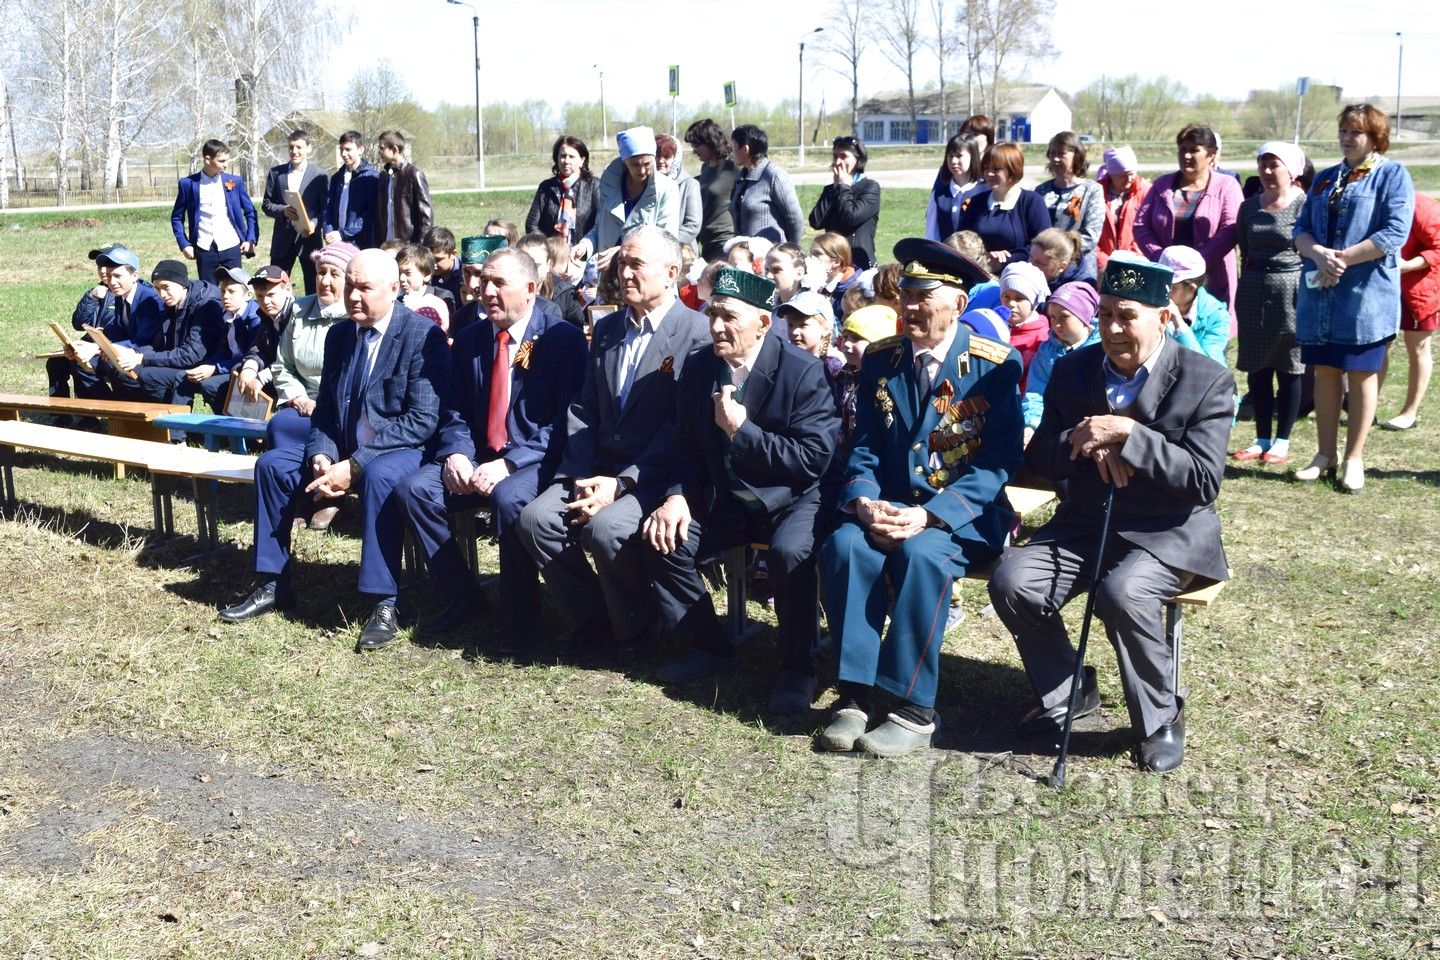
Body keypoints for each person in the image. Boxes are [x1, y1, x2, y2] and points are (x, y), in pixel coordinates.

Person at [988, 258, 1235, 774]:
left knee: (1123, 593)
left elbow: (1203, 479)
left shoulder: (1205, 380)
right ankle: (1069, 689)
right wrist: (1083, 442)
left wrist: (1129, 436)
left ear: (1163, 317)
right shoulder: (1074, 368)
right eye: (1104, 316)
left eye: (1128, 316)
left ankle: (1160, 718)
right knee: (1012, 579)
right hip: (1085, 523)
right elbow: (1039, 457)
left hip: (1167, 532)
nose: (1114, 330)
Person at [818, 239, 1023, 758]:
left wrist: (930, 515)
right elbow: (863, 445)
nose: (909, 307)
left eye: (923, 296)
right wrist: (864, 501)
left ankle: (913, 708)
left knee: (921, 555)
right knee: (846, 546)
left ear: (957, 302)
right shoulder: (882, 360)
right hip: (887, 505)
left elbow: (998, 463)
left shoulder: (993, 365)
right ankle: (856, 694)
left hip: (962, 515)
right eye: (905, 295)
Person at [218, 249, 451, 650]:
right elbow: (326, 408)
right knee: (273, 465)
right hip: (344, 443)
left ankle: (384, 602)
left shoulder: (420, 335)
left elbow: (422, 420)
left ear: (394, 289)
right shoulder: (341, 334)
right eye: (351, 287)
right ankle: (274, 582)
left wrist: (356, 465)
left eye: (365, 288)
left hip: (402, 448)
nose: (354, 297)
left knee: (378, 476)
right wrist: (321, 454)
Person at [644, 269, 838, 710]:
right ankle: (708, 643)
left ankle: (797, 666)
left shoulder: (803, 371)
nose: (715, 326)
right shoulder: (699, 365)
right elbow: (687, 447)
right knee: (663, 538)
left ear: (763, 324)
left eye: (728, 316)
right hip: (725, 499)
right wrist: (677, 496)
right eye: (712, 313)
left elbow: (812, 460)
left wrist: (741, 432)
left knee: (790, 554)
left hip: (793, 500)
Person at [516, 226, 710, 658]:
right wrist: (581, 475)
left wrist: (622, 484)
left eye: (636, 264)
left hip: (655, 476)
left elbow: (681, 429)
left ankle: (640, 628)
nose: (625, 273)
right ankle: (594, 618)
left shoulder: (696, 333)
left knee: (607, 529)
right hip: (599, 467)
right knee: (537, 519)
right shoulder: (606, 329)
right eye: (622, 262)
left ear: (672, 272)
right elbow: (585, 408)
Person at [397, 249, 587, 650]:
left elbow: (565, 422)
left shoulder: (561, 339)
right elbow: (456, 408)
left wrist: (510, 463)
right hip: (480, 457)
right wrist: (457, 453)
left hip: (537, 460)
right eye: (483, 281)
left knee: (508, 497)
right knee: (416, 489)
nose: (487, 291)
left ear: (531, 289)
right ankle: (462, 595)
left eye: (499, 283)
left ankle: (520, 616)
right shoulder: (470, 340)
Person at [1293, 104, 1415, 493]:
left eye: (1356, 132)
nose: (1347, 138)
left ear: (1375, 136)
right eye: (1344, 130)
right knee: (1326, 372)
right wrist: (1318, 254)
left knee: (1361, 375)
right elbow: (1302, 228)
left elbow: (1394, 232)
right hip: (1320, 290)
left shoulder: (1392, 175)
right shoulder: (1326, 178)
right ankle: (1323, 454)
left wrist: (1341, 259)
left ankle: (1354, 458)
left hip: (1365, 295)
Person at [1233, 141, 1308, 465]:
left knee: (1289, 366)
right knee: (1257, 367)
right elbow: (1243, 245)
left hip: (1290, 291)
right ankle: (1261, 437)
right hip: (1252, 289)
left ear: (1291, 170)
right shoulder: (1249, 206)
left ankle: (1282, 440)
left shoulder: (1305, 204)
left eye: (1273, 164)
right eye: (1262, 164)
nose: (1265, 171)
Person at [1133, 125, 1243, 320]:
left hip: (1211, 280)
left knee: (1206, 340)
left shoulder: (1227, 186)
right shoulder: (1162, 185)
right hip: (1167, 279)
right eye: (1183, 149)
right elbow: (1141, 226)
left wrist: (1195, 266)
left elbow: (1231, 228)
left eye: (1194, 150)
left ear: (1211, 155)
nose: (1186, 155)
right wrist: (1163, 259)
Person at [58, 245, 167, 402]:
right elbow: (119, 329)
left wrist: (99, 348)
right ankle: (112, 411)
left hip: (146, 354)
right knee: (79, 362)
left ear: (135, 275)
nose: (112, 282)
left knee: (114, 365)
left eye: (117, 276)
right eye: (108, 276)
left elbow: (142, 340)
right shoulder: (120, 294)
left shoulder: (150, 300)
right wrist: (88, 345)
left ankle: (127, 414)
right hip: (124, 350)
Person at [108, 260, 217, 405]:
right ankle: (136, 421)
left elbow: (191, 355)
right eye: (157, 289)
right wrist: (132, 353)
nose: (162, 294)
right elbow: (159, 344)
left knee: (147, 375)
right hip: (184, 360)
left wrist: (142, 358)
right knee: (121, 369)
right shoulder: (172, 303)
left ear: (182, 283)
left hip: (206, 366)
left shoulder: (204, 306)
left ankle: (163, 420)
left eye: (166, 287)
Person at [572, 126, 679, 266]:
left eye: (647, 164)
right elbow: (601, 228)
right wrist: (585, 245)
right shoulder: (610, 184)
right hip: (609, 275)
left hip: (645, 275)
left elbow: (666, 241)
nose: (641, 171)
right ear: (624, 161)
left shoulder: (667, 189)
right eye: (634, 165)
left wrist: (621, 252)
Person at [1382, 191, 1440, 431]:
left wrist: (1406, 266)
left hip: (1419, 288)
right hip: (1383, 286)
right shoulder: (1375, 204)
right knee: (1377, 347)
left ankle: (1409, 413)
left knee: (1417, 347)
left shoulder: (1423, 206)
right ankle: (1363, 405)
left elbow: (1437, 248)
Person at [1022, 280, 1100, 445]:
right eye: (1052, 317)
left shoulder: (1103, 348)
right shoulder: (1047, 352)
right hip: (1054, 427)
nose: (1056, 324)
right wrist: (1031, 425)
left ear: (1084, 316)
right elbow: (1036, 392)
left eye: (1064, 317)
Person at [170, 139, 258, 284]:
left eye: (227, 160)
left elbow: (250, 212)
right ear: (207, 159)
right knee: (209, 293)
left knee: (235, 289)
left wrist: (250, 239)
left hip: (231, 246)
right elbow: (177, 218)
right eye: (222, 161)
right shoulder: (188, 184)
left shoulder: (234, 181)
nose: (226, 164)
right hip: (204, 248)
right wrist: (184, 244)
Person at [955, 142, 1050, 274]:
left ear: (1013, 169)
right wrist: (985, 261)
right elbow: (960, 241)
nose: (989, 174)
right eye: (986, 168)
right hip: (978, 276)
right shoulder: (976, 202)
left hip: (1019, 279)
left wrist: (1006, 259)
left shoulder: (1032, 202)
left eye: (996, 169)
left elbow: (1044, 245)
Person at [183, 266, 262, 413]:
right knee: (188, 378)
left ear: (248, 295)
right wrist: (208, 365)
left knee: (211, 385)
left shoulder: (254, 319)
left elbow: (250, 356)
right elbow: (224, 350)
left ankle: (232, 428)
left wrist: (215, 368)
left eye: (232, 291)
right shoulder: (227, 315)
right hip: (231, 366)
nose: (225, 296)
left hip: (249, 369)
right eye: (223, 291)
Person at [261, 129, 328, 295]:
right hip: (282, 240)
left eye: (299, 147)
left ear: (308, 149)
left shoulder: (320, 176)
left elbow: (325, 208)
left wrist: (314, 223)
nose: (294, 151)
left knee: (314, 286)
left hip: (309, 239)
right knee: (276, 284)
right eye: (291, 147)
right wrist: (283, 211)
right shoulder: (276, 173)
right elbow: (266, 204)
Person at [1034, 131, 1104, 283]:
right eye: (1052, 154)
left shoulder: (1092, 190)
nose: (1056, 159)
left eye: (1061, 154)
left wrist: (1060, 255)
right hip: (1043, 269)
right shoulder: (1041, 190)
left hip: (1078, 270)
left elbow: (1091, 236)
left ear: (1076, 156)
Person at [808, 135, 881, 270]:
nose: (838, 162)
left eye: (844, 156)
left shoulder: (870, 187)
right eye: (835, 156)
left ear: (858, 159)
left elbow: (850, 218)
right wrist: (834, 190)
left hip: (859, 265)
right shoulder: (832, 189)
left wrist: (844, 188)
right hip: (833, 263)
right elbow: (816, 221)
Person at [232, 265, 299, 409]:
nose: (265, 302)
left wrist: (260, 377)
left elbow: (294, 362)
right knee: (238, 373)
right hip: (274, 372)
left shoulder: (299, 316)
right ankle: (237, 427)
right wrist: (250, 367)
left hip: (296, 379)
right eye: (260, 296)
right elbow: (259, 347)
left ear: (288, 290)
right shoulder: (268, 315)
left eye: (271, 295)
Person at [729, 124, 803, 246]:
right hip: (745, 257)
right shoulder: (741, 178)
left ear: (745, 149)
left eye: (734, 147)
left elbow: (795, 218)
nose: (732, 153)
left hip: (770, 257)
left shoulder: (774, 175)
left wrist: (792, 250)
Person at [1157, 246, 1231, 368]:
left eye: (1171, 286)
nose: (1163, 290)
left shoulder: (1216, 316)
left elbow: (1211, 369)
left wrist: (1179, 323)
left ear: (1191, 288)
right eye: (1161, 282)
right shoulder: (1151, 306)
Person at [525, 135, 600, 243]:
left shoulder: (594, 185)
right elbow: (531, 224)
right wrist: (547, 248)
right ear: (557, 159)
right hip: (550, 254)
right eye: (563, 156)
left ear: (582, 160)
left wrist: (585, 247)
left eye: (572, 156)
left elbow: (601, 224)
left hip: (583, 254)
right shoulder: (545, 187)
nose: (566, 161)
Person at [683, 118, 738, 260]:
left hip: (724, 241)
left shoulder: (732, 167)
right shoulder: (706, 167)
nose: (694, 151)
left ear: (710, 141)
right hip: (706, 242)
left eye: (696, 145)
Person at [321, 131, 380, 250]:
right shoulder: (336, 178)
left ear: (361, 149)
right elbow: (328, 207)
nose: (344, 154)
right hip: (337, 242)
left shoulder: (372, 178)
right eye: (341, 149)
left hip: (362, 243)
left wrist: (344, 234)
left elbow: (370, 213)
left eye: (348, 149)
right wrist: (329, 232)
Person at [1096, 146, 1150, 271]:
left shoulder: (1146, 192)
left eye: (1132, 174)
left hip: (1135, 262)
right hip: (1102, 264)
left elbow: (1148, 230)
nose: (1130, 179)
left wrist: (1131, 257)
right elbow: (1090, 231)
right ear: (1111, 174)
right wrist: (1103, 261)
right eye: (1123, 175)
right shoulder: (1097, 192)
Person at [374, 130, 432, 245]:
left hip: (408, 246)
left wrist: (419, 247)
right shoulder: (383, 176)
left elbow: (426, 217)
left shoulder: (413, 174)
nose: (379, 152)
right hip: (386, 244)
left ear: (395, 149)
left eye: (382, 148)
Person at [997, 260, 1050, 386]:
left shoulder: (1042, 338)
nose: (1011, 304)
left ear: (1033, 303)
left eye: (1019, 298)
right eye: (1006, 296)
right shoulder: (993, 324)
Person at [925, 133, 983, 243]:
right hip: (946, 258)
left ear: (973, 157)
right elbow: (932, 235)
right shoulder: (939, 195)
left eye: (959, 156)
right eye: (950, 156)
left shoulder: (986, 191)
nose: (954, 161)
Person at [448, 236, 509, 339]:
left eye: (480, 274)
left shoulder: (536, 314)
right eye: (466, 273)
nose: (472, 284)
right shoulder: (459, 319)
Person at [656, 134, 702, 251]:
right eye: (657, 156)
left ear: (675, 158)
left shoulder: (689, 184)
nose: (660, 161)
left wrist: (664, 243)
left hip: (681, 251)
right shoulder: (646, 184)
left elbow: (693, 225)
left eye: (666, 157)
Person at [811, 232, 864, 320]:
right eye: (811, 253)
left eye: (817, 253)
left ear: (836, 262)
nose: (811, 258)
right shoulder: (813, 281)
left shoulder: (853, 292)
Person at [424, 227, 463, 303]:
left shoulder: (466, 273)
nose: (433, 265)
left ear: (453, 254)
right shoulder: (425, 272)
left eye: (438, 260)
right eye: (430, 259)